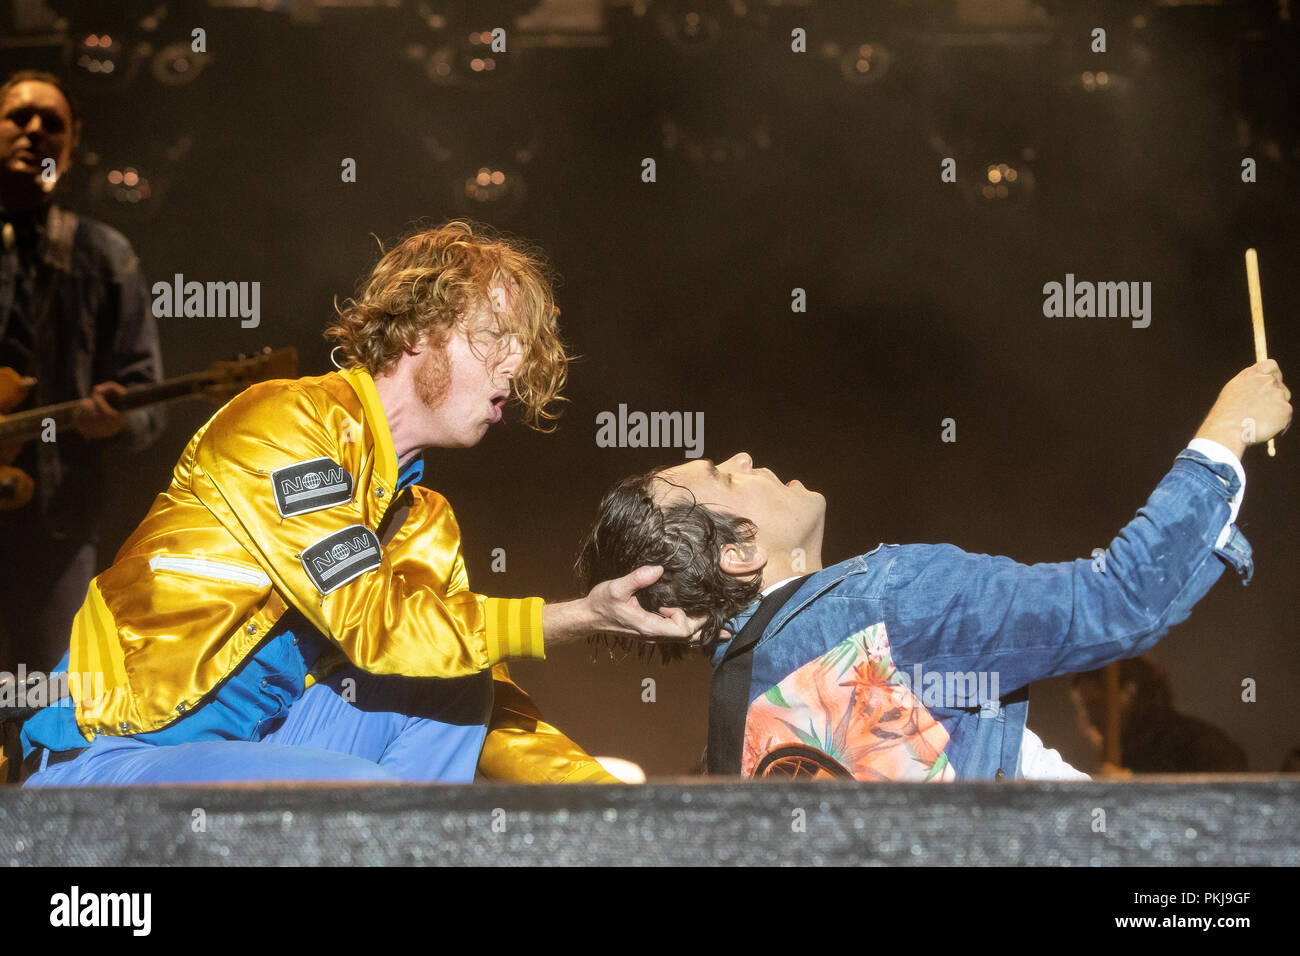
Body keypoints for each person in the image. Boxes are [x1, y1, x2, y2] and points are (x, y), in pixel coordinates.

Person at [20, 219, 702, 786]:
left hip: (257, 748)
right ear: (416, 332)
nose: (516, 366)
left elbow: (489, 695)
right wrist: (581, 616)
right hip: (115, 754)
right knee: (360, 801)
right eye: (496, 336)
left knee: (461, 688)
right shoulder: (285, 421)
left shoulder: (425, 517)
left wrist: (618, 806)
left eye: (524, 346)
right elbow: (369, 618)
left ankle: (406, 847)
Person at [576, 361, 1290, 781]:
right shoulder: (888, 601)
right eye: (721, 479)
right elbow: (1121, 600)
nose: (737, 460)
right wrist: (1226, 435)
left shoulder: (732, 738)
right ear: (738, 555)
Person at [0, 70, 165, 676]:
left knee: (48, 698)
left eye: (54, 124)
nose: (35, 130)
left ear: (69, 152)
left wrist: (114, 423)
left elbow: (148, 406)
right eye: (19, 117)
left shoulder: (105, 254)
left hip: (57, 524)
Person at [1071, 655, 1248, 773]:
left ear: (1129, 694)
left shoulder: (1192, 744)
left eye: (1095, 704)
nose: (1089, 717)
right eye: (1083, 707)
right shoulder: (1125, 749)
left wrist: (1129, 792)